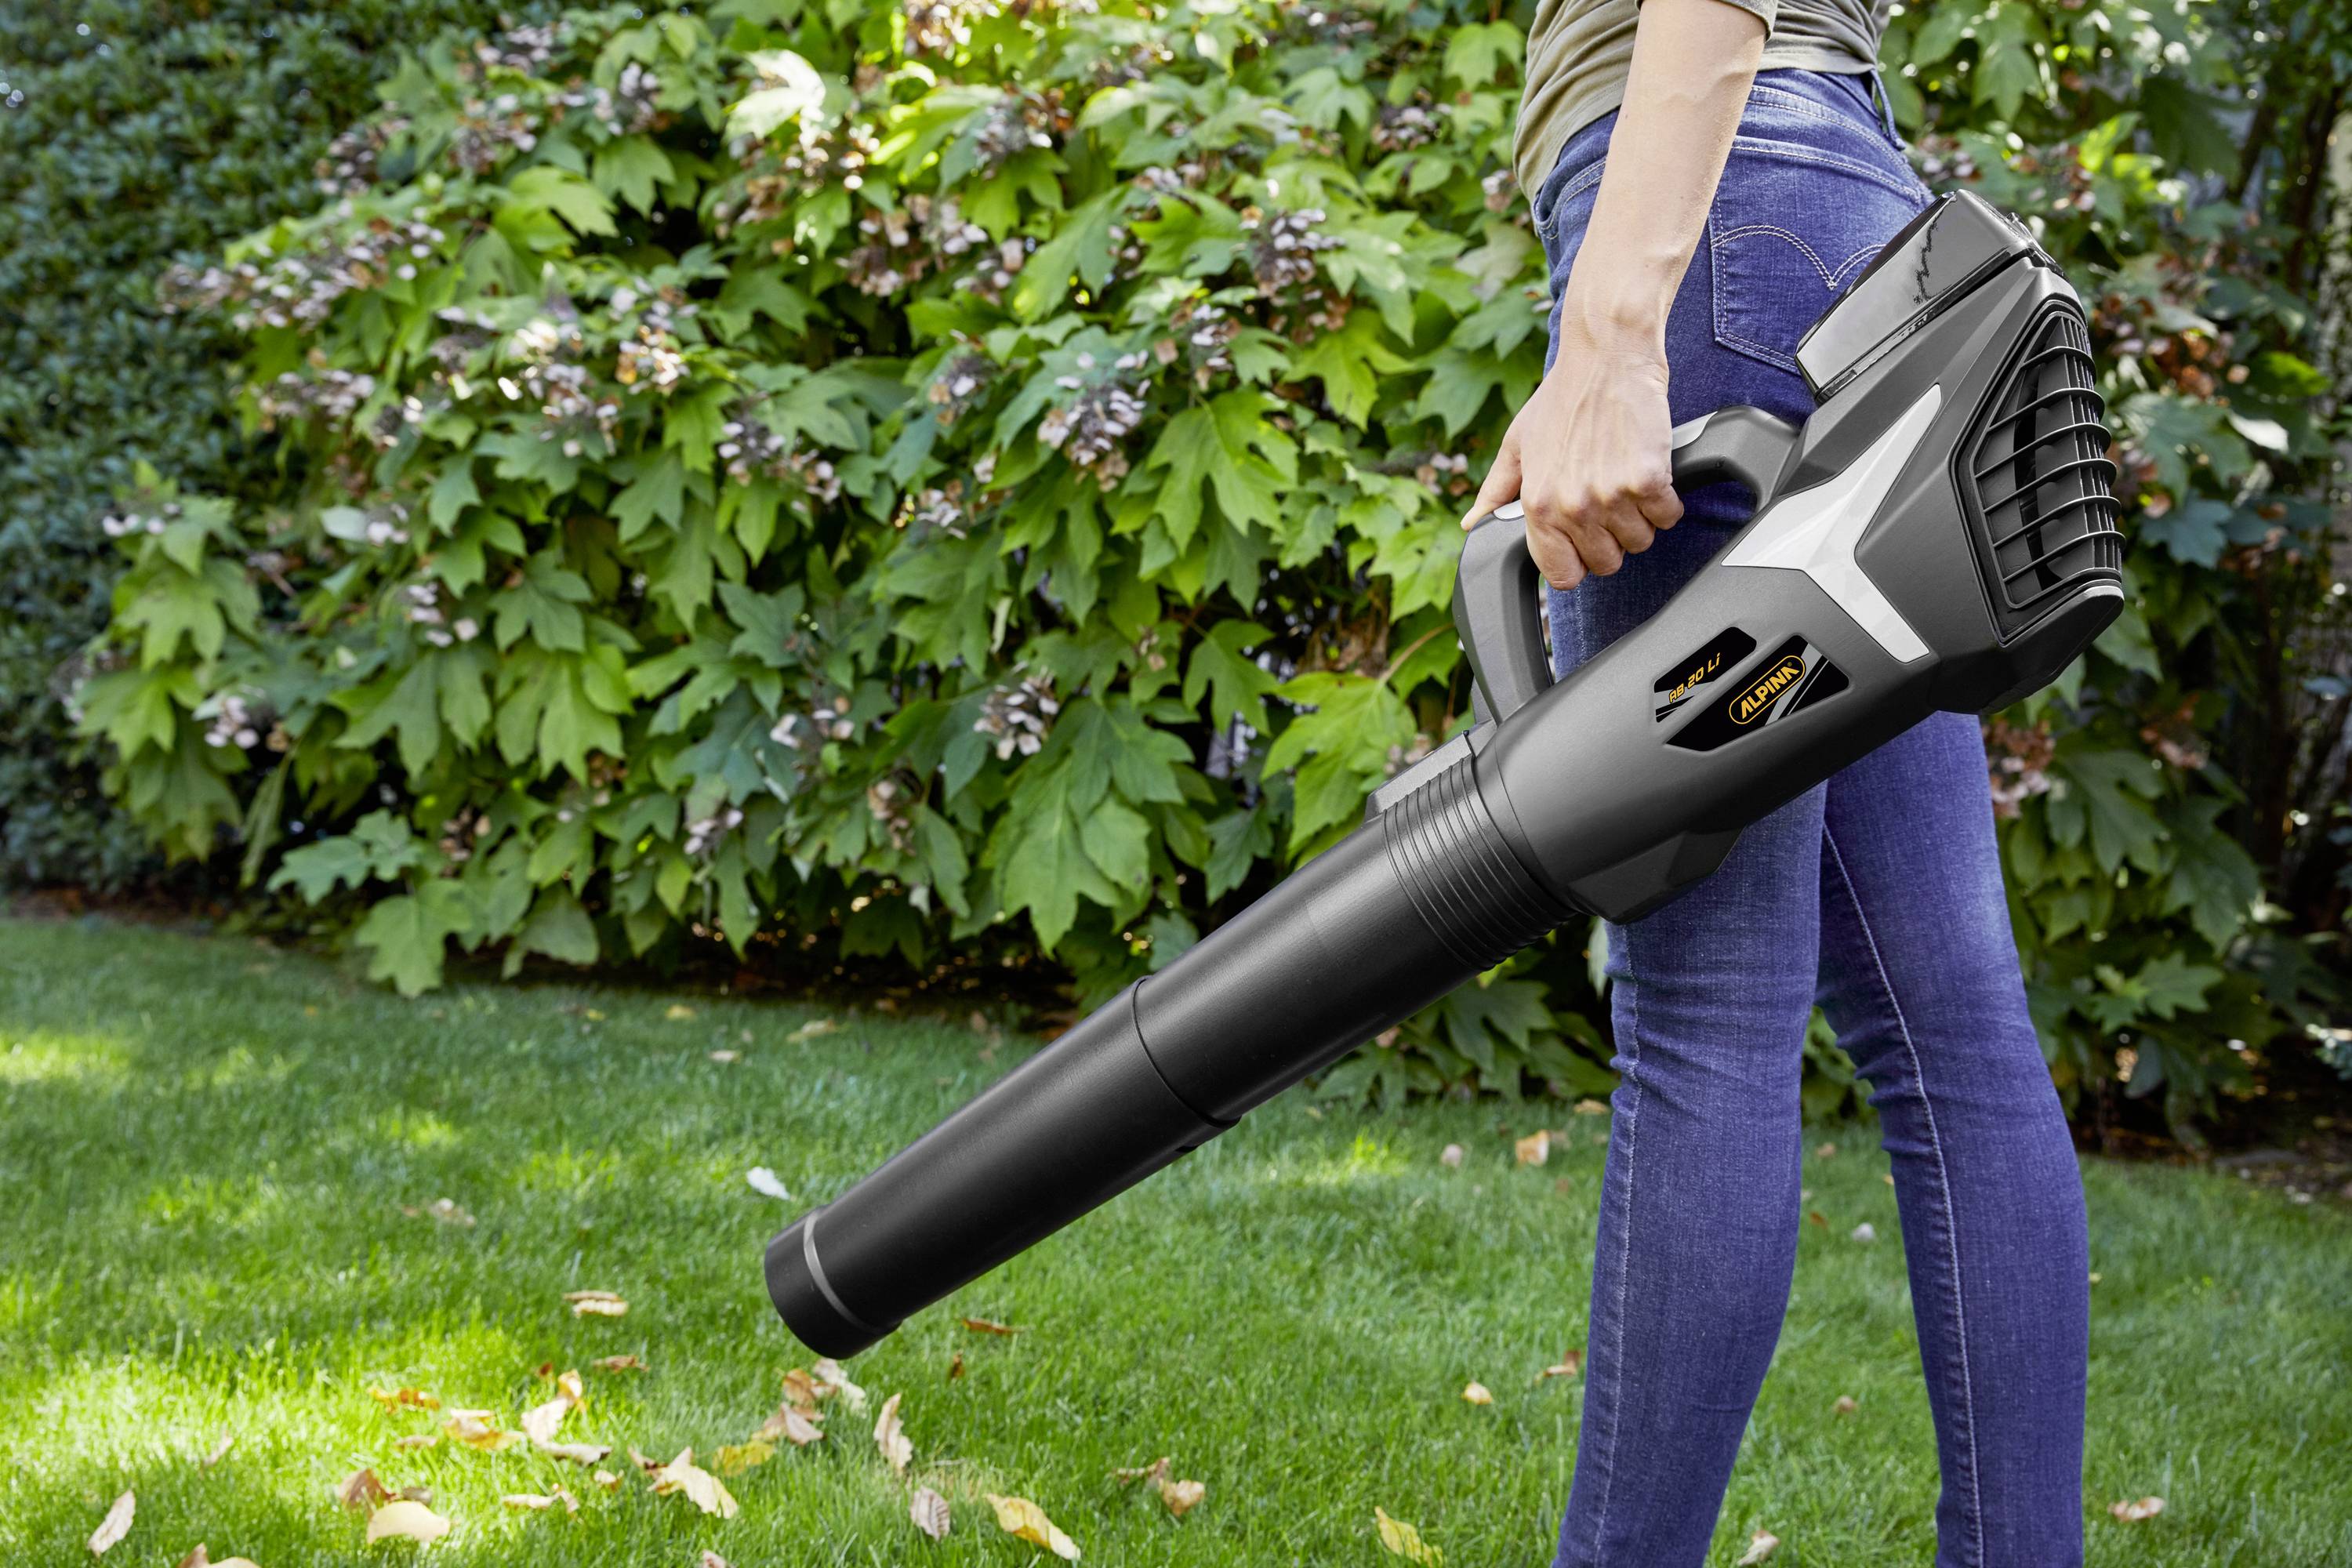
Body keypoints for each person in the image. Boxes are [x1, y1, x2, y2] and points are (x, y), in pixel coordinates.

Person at [1462, 2, 2092, 1564]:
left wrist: (1614, 330)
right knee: (1948, 1021)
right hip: (1845, 244)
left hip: (1717, 233)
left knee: (1708, 1004)